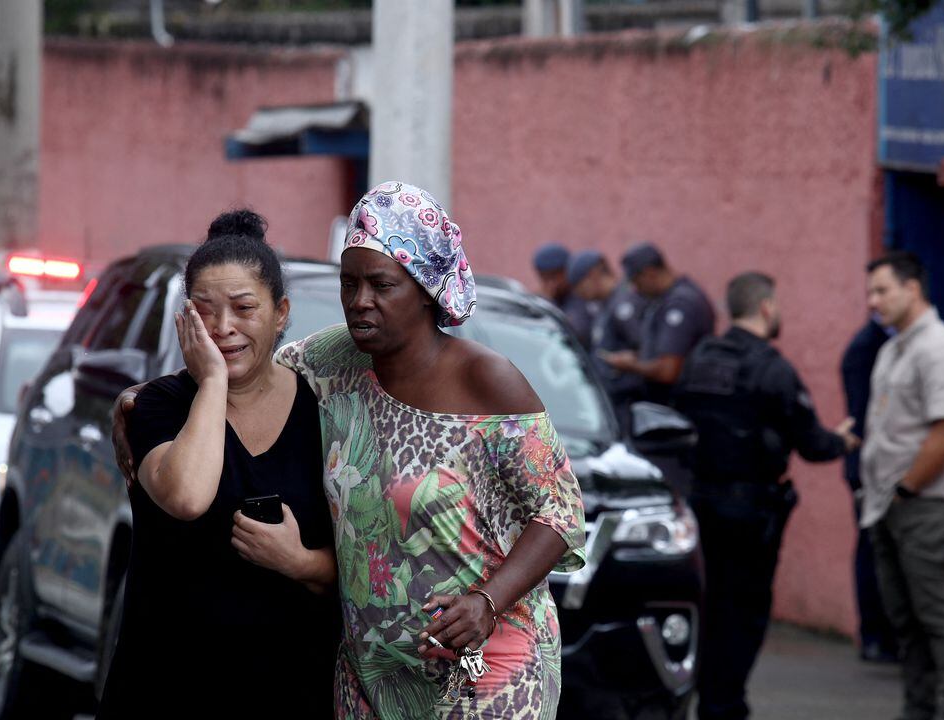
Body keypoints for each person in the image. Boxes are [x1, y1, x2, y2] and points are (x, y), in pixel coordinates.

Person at [112, 184, 586, 719]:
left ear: (426, 289)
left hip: (480, 661)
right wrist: (136, 401)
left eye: (381, 284)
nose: (361, 300)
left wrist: (488, 601)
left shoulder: (487, 381)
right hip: (372, 674)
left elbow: (560, 515)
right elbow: (245, 362)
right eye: (349, 283)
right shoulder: (334, 360)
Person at [98, 210, 340, 717]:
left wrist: (299, 563)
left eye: (244, 307)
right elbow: (186, 496)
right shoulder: (156, 407)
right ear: (185, 318)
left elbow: (366, 567)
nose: (223, 328)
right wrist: (211, 383)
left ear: (281, 312)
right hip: (167, 686)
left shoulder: (328, 416)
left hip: (292, 689)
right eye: (204, 310)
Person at [674, 272, 859, 720]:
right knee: (745, 612)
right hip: (750, 513)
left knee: (710, 605)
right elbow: (811, 443)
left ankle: (707, 698)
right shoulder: (772, 368)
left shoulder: (700, 358)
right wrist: (842, 441)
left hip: (701, 504)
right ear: (766, 308)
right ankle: (725, 705)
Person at [860, 251, 944, 720]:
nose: (874, 301)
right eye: (870, 292)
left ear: (913, 289)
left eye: (882, 290)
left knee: (939, 618)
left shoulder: (940, 349)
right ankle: (919, 709)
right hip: (889, 507)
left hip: (925, 506)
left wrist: (906, 489)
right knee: (905, 623)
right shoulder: (894, 348)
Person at [839, 314, 900, 663]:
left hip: (878, 465)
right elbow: (863, 416)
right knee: (872, 548)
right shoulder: (867, 348)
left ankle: (883, 634)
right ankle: (875, 635)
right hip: (868, 467)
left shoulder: (889, 344)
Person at [599, 242, 715, 406]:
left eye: (636, 281)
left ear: (650, 274)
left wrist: (631, 365)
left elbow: (668, 371)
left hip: (680, 404)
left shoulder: (680, 303)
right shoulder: (665, 298)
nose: (635, 289)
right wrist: (638, 356)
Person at [566, 250, 647, 429]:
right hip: (612, 402)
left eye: (580, 285)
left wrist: (628, 362)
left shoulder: (623, 305)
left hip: (628, 401)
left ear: (593, 275)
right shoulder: (605, 306)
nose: (579, 293)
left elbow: (645, 351)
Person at [533, 242, 596, 349]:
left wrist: (548, 304)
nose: (551, 284)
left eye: (554, 276)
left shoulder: (582, 294)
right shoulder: (543, 299)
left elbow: (578, 333)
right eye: (544, 278)